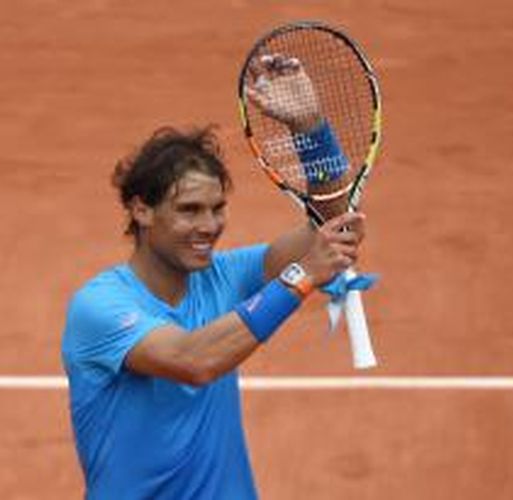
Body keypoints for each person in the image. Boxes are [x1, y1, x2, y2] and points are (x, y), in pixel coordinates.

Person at [61, 54, 366, 499]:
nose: (208, 226)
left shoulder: (226, 274)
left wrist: (312, 132)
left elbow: (334, 230)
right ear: (140, 210)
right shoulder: (100, 307)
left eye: (217, 208)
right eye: (189, 211)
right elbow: (193, 361)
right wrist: (301, 276)